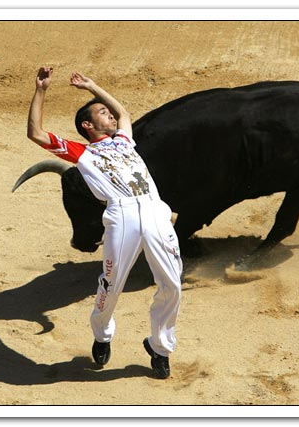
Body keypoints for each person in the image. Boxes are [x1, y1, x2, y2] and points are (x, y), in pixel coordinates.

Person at [25, 66, 182, 379]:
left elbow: (123, 111)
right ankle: (102, 333)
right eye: (101, 112)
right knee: (111, 285)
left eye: (108, 111)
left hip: (154, 211)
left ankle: (160, 347)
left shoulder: (125, 140)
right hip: (121, 215)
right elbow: (35, 133)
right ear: (87, 124)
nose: (110, 114)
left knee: (172, 284)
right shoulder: (82, 152)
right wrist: (41, 90)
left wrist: (93, 86)